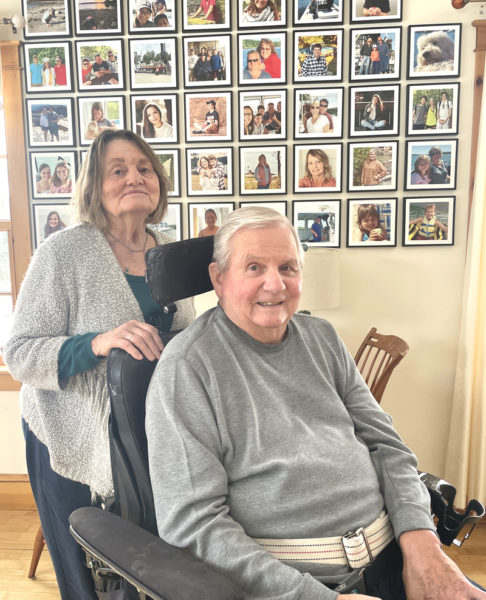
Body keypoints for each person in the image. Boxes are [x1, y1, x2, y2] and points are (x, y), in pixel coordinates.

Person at [146, 205, 485, 600]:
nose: (275, 285)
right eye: (254, 267)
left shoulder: (321, 338)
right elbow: (194, 525)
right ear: (218, 279)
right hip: (301, 586)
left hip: (398, 558)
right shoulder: (187, 367)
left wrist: (423, 546)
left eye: (288, 268)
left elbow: (388, 446)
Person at [3, 129, 195, 600]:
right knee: (86, 569)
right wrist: (97, 343)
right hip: (71, 437)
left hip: (151, 437)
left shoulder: (169, 249)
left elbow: (187, 339)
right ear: (94, 185)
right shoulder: (63, 252)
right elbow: (19, 352)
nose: (134, 177)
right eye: (118, 169)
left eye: (144, 168)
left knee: (147, 563)